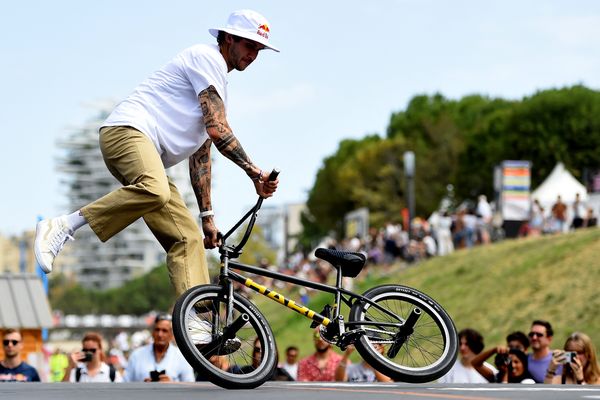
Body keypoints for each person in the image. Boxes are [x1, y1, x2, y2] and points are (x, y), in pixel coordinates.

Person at [34, 9, 280, 301]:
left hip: (147, 150)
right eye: (249, 45)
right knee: (155, 189)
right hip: (125, 132)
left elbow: (201, 155)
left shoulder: (217, 86)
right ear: (228, 38)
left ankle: (198, 329)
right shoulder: (206, 57)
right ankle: (63, 225)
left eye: (259, 49)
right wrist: (255, 173)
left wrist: (207, 216)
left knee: (187, 238)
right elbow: (217, 130)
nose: (254, 55)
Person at [125, 314, 195, 382]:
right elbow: (125, 383)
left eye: (164, 331)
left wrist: (172, 385)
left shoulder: (182, 357)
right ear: (152, 332)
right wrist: (142, 386)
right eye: (157, 330)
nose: (160, 334)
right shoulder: (136, 356)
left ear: (171, 334)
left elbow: (190, 385)